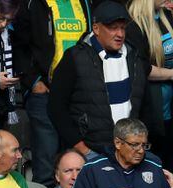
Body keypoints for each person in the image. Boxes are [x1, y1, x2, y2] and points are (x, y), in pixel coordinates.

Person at [48, 3, 147, 158]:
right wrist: (83, 150)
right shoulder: (74, 58)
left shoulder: (135, 57)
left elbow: (143, 104)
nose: (120, 33)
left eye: (122, 28)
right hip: (91, 152)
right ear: (96, 28)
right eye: (113, 28)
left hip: (129, 153)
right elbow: (56, 107)